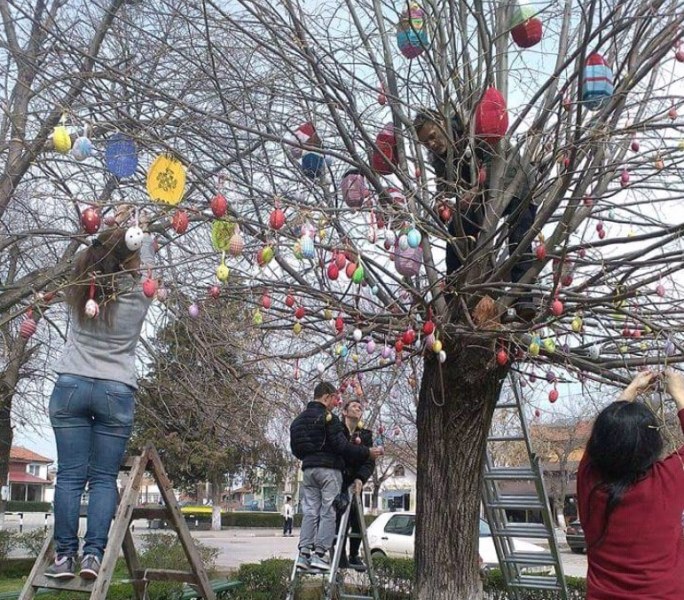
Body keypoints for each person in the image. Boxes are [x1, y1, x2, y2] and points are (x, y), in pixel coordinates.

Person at [45, 208, 155, 580]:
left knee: (70, 477)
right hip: (115, 386)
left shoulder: (79, 286)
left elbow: (89, 253)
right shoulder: (140, 294)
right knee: (104, 479)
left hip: (71, 383)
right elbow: (149, 248)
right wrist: (138, 223)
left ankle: (64, 558)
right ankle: (92, 557)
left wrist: (111, 225)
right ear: (133, 254)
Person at [413, 108, 537, 321]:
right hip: (482, 201)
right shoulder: (440, 161)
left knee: (519, 241)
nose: (432, 144)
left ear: (443, 122)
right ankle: (454, 292)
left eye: (433, 136)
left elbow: (493, 155)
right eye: (426, 143)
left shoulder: (471, 128)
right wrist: (442, 203)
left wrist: (478, 188)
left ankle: (524, 298)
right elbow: (445, 190)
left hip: (515, 185)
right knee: (456, 235)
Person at [577, 369, 684, 599]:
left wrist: (631, 390)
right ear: (652, 443)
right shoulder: (669, 478)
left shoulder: (590, 482)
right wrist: (679, 393)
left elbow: (603, 435)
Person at [290, 382, 383, 572]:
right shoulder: (328, 418)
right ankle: (320, 554)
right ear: (326, 397)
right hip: (329, 471)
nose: (335, 403)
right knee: (328, 512)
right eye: (334, 399)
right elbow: (342, 447)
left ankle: (304, 553)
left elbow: (296, 450)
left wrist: (311, 458)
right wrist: (367, 453)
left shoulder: (297, 421)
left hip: (308, 470)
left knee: (310, 512)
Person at [336, 399, 375, 571]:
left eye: (360, 407)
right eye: (354, 406)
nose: (358, 408)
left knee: (358, 520)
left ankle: (353, 554)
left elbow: (369, 461)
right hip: (338, 480)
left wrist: (360, 478)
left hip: (355, 482)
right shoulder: (337, 431)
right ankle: (339, 554)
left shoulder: (365, 435)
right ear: (344, 411)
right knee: (338, 518)